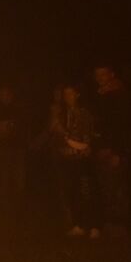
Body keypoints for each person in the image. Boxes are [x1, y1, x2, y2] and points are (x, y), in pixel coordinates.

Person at [89, 65, 131, 234]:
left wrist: (118, 151)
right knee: (106, 187)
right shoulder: (99, 96)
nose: (100, 77)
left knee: (118, 188)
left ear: (111, 74)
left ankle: (120, 224)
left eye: (103, 74)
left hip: (113, 149)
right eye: (97, 74)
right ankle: (110, 222)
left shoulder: (119, 95)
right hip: (101, 148)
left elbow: (122, 125)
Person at [52, 84, 100, 239]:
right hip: (68, 161)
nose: (68, 97)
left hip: (83, 161)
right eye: (65, 94)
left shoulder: (85, 113)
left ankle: (93, 226)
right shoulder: (61, 115)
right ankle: (78, 224)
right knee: (72, 192)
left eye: (71, 93)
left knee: (87, 192)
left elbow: (86, 141)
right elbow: (55, 137)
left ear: (77, 94)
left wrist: (67, 138)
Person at [0, 85, 28, 222]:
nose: (4, 96)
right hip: (1, 150)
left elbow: (23, 127)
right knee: (2, 179)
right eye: (1, 94)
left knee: (18, 179)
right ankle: (3, 210)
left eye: (7, 94)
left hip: (17, 149)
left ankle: (18, 208)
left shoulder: (19, 109)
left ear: (11, 94)